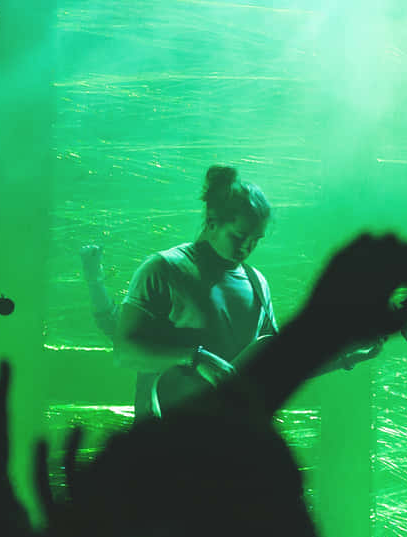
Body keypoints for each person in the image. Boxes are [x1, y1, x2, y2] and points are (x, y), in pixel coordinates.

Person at [113, 166, 281, 419]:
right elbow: (125, 353)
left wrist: (342, 357)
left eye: (256, 239)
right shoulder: (162, 270)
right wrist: (195, 358)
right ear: (213, 222)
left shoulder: (258, 283)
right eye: (239, 236)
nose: (248, 247)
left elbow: (273, 359)